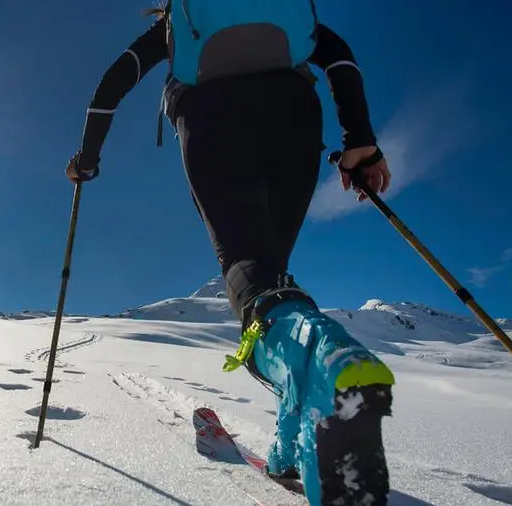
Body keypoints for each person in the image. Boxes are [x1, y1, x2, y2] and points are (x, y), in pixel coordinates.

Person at [65, 2, 396, 505]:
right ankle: (291, 447)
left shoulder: (179, 21)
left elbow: (112, 84)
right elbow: (339, 57)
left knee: (251, 279)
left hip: (212, 115)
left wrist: (87, 159)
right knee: (271, 278)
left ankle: (326, 364)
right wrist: (361, 142)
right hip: (295, 114)